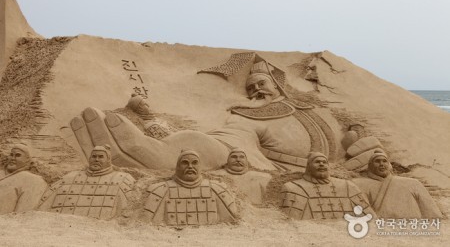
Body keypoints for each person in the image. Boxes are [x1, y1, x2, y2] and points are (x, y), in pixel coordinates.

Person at [70, 54, 336, 172]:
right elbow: (227, 142)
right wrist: (190, 147)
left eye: (261, 84)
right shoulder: (246, 116)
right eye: (251, 87)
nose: (255, 90)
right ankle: (152, 124)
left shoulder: (308, 108)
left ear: (277, 84)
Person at [39, 145, 135, 220]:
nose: (96, 159)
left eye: (101, 157)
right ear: (89, 159)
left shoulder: (122, 179)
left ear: (108, 160)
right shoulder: (70, 177)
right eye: (93, 156)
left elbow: (127, 211)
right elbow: (43, 207)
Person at [143, 150, 237, 225]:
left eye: (195, 163)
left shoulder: (217, 189)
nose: (190, 166)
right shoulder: (160, 190)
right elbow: (146, 221)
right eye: (185, 163)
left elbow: (232, 219)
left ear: (200, 167)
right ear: (178, 167)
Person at [280, 152, 374, 220]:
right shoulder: (293, 188)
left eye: (324, 162)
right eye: (317, 162)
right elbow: (290, 222)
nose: (321, 164)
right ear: (308, 167)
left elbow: (370, 217)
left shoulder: (348, 186)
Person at [352, 150, 442, 218]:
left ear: (389, 164)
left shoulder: (413, 183)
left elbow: (432, 213)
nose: (381, 164)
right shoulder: (360, 184)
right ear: (370, 165)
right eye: (377, 161)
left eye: (384, 161)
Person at [0, 144, 48, 214]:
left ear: (27, 159)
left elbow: (23, 215)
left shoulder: (33, 180)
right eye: (11, 154)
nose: (12, 158)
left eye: (18, 155)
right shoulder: (1, 173)